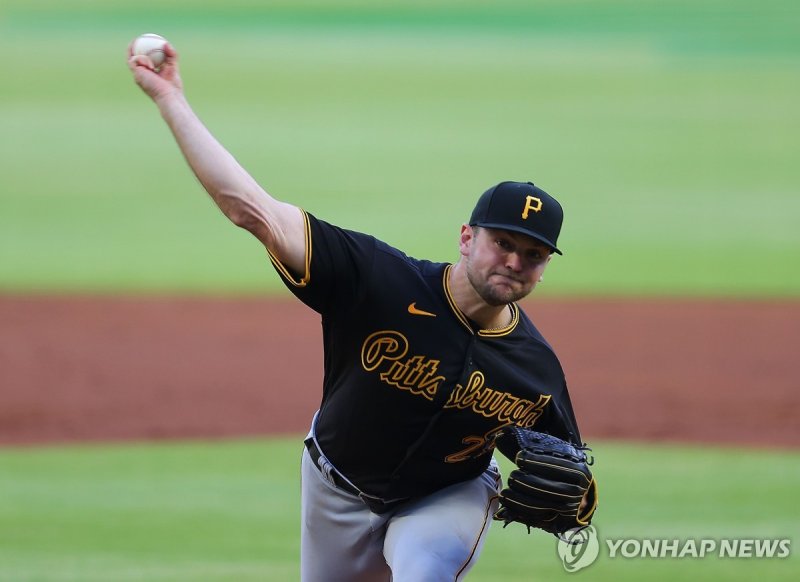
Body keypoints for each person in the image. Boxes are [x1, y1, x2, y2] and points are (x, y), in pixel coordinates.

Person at [128, 40, 588, 582]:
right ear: (467, 237)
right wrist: (169, 99)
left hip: (445, 496)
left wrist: (576, 500)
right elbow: (251, 210)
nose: (514, 262)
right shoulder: (378, 279)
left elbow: (572, 476)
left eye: (533, 254)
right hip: (333, 488)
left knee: (425, 571)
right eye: (503, 244)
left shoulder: (534, 368)